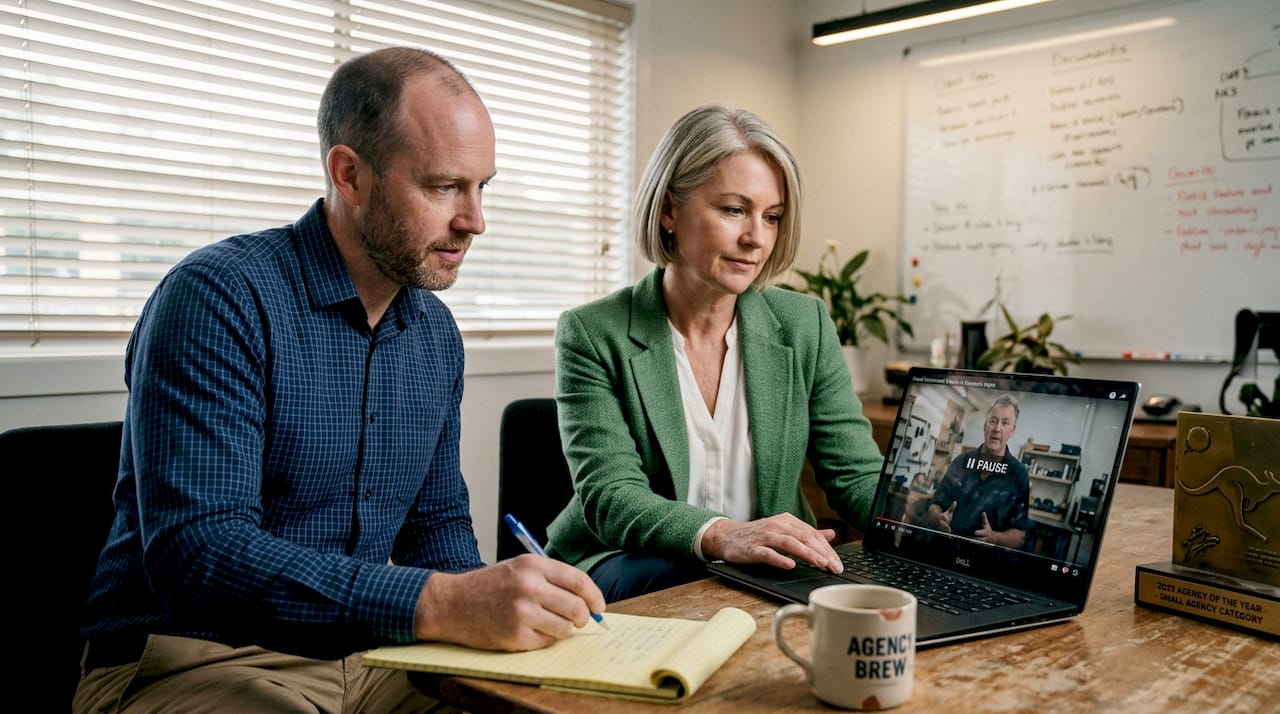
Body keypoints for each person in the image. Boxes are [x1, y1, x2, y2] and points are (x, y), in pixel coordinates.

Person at [73, 47, 606, 713]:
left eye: (481, 187)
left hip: (372, 655)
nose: (474, 221)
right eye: (443, 187)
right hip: (190, 658)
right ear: (350, 175)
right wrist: (441, 602)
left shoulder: (435, 334)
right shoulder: (217, 297)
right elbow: (199, 556)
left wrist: (493, 609)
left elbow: (434, 525)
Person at [543, 105, 885, 602]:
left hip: (767, 574)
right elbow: (613, 498)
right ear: (668, 210)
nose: (756, 238)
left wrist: (934, 527)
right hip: (628, 564)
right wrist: (726, 535)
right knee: (690, 579)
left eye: (772, 217)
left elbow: (854, 473)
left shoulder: (803, 324)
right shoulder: (594, 333)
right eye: (732, 210)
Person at [919, 395, 1031, 548]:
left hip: (983, 565)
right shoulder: (961, 462)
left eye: (1005, 423)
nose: (997, 428)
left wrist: (995, 538)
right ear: (986, 425)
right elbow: (934, 506)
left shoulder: (1019, 474)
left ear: (1012, 430)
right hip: (944, 553)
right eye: (993, 420)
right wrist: (938, 518)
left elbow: (1020, 536)